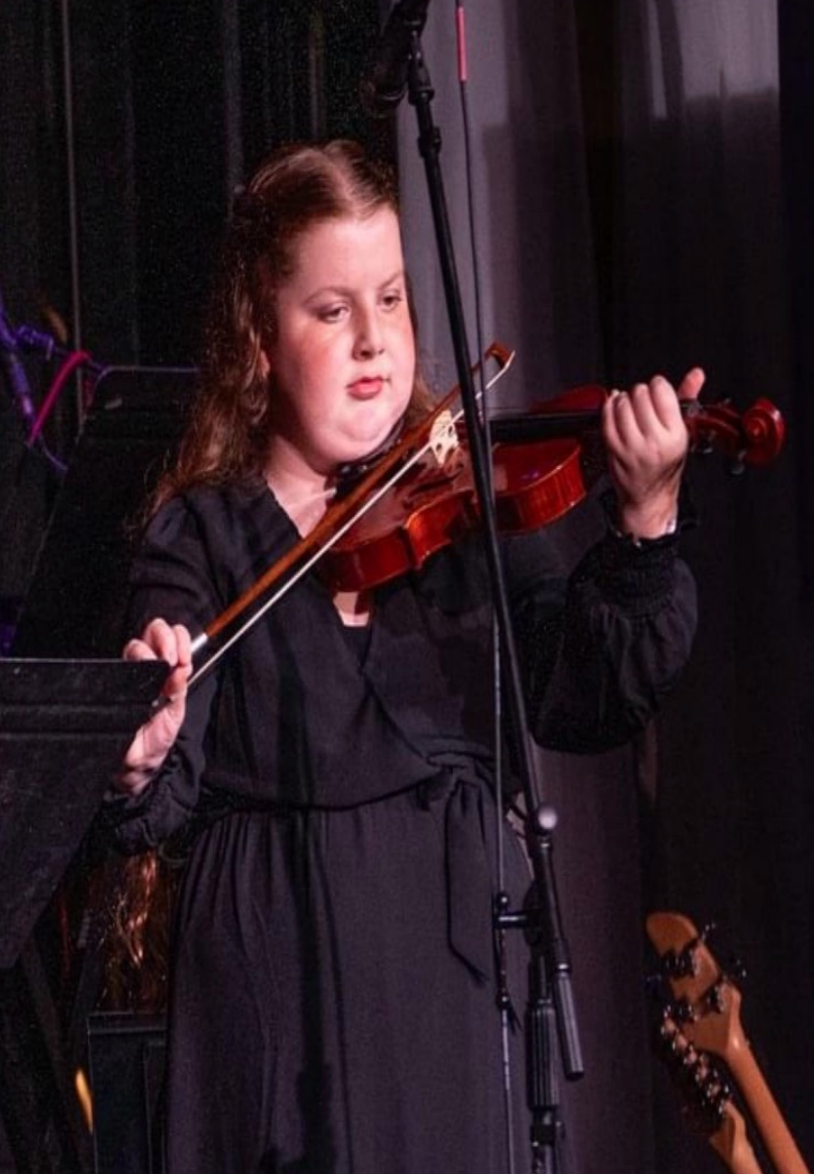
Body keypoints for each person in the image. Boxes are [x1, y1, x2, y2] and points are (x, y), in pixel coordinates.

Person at [105, 139, 702, 1174]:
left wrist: (645, 523)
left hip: (454, 974)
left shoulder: (463, 506)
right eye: (331, 311)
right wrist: (142, 754)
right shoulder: (201, 537)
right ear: (258, 339)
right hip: (276, 982)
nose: (374, 340)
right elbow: (157, 788)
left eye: (390, 299)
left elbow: (586, 691)